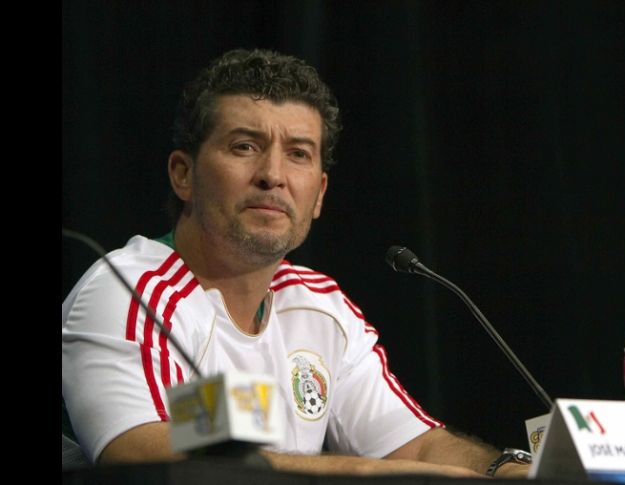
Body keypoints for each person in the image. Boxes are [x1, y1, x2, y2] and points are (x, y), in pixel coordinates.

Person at [61, 48, 529, 478]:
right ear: (184, 175)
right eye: (245, 146)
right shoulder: (130, 291)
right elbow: (138, 454)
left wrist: (510, 472)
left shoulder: (319, 306)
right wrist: (369, 474)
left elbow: (418, 449)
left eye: (299, 154)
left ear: (320, 194)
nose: (273, 175)